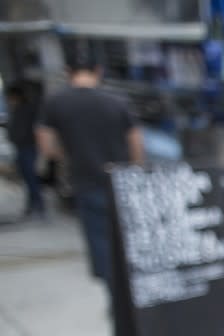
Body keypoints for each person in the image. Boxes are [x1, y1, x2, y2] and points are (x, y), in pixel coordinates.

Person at [36, 44, 144, 294]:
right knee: (128, 240)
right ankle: (132, 294)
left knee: (101, 242)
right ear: (99, 70)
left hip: (85, 181)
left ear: (67, 71)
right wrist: (136, 170)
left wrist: (68, 154)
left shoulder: (55, 102)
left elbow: (45, 145)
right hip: (122, 181)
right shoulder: (117, 101)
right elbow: (136, 141)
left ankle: (115, 297)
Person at [4, 82, 45, 218]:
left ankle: (38, 206)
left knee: (31, 178)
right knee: (28, 178)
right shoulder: (18, 109)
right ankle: (33, 205)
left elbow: (32, 129)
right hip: (22, 148)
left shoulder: (27, 109)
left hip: (29, 147)